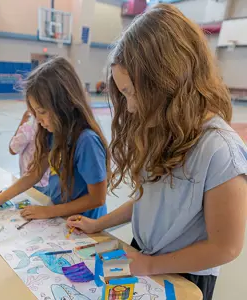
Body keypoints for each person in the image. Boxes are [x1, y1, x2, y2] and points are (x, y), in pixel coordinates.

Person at [67, 4, 247, 300]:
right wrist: (99, 223)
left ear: (169, 82)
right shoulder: (161, 130)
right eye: (123, 95)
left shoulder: (221, 151)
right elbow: (148, 199)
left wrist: (150, 264)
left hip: (185, 274)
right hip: (145, 257)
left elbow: (226, 246)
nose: (131, 107)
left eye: (131, 94)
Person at [0, 57, 110, 220]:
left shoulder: (86, 141)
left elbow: (97, 198)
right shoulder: (53, 132)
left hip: (86, 225)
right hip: (61, 217)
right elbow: (35, 173)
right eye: (35, 113)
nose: (38, 120)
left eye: (42, 112)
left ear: (65, 104)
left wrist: (49, 212)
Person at [9, 110, 49, 194]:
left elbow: (13, 149)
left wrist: (23, 121)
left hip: (32, 183)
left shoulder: (28, 127)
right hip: (47, 180)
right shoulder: (51, 127)